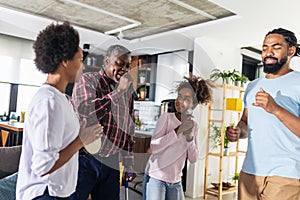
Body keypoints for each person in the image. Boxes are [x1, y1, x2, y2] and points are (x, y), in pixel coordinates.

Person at [16, 22, 102, 200]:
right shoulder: (49, 102)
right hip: (45, 194)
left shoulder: (61, 99)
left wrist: (79, 134)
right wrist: (80, 141)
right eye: (79, 60)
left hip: (59, 192)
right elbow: (44, 166)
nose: (83, 66)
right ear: (64, 61)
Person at [226, 28, 300, 200]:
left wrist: (276, 109)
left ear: (291, 51)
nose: (268, 52)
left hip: (286, 175)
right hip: (249, 173)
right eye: (265, 48)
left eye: (276, 47)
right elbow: (245, 121)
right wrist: (238, 132)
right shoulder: (252, 86)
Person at [70, 44, 136, 200]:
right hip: (85, 159)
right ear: (107, 61)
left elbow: (128, 129)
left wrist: (128, 164)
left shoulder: (128, 94)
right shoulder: (88, 80)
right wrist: (118, 92)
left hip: (112, 162)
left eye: (127, 65)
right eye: (120, 63)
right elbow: (87, 112)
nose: (124, 69)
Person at [143, 76, 213, 200]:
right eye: (179, 96)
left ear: (194, 104)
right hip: (156, 178)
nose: (179, 101)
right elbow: (153, 147)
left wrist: (190, 138)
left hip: (176, 182)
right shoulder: (166, 118)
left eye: (186, 98)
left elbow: (193, 158)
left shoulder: (194, 126)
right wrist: (177, 131)